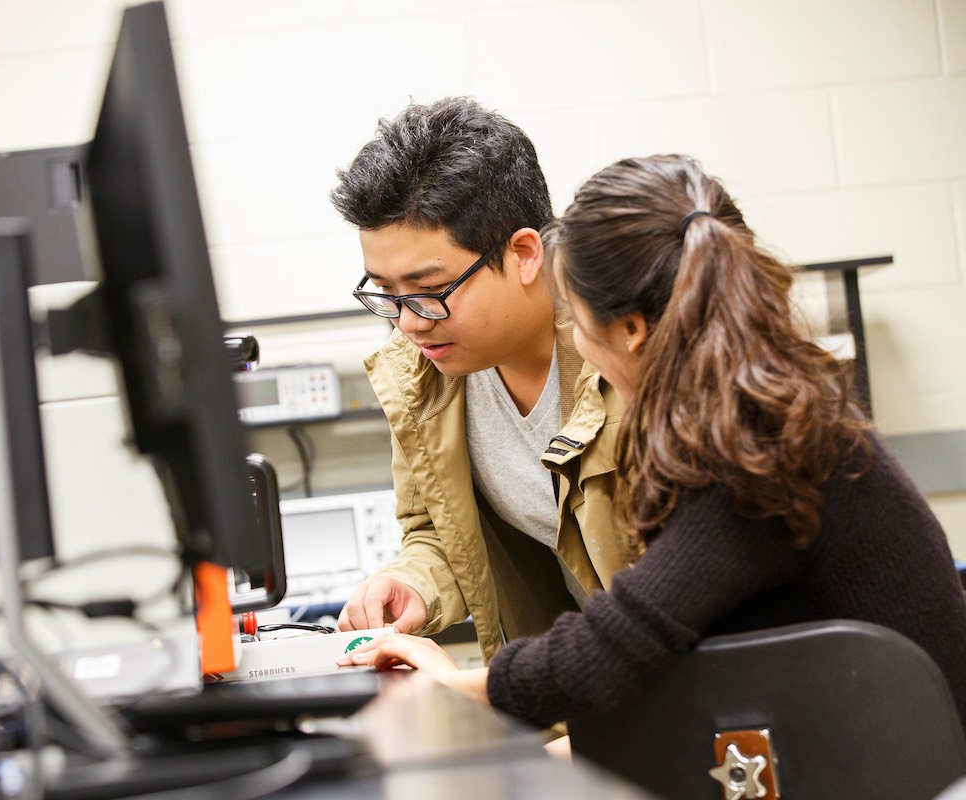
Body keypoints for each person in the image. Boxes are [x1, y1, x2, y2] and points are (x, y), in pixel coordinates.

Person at [338, 153, 966, 732]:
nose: (578, 349)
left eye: (577, 326)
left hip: (893, 752)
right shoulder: (754, 412)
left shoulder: (754, 451)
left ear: (632, 330)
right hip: (829, 726)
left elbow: (617, 644)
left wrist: (452, 686)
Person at [328, 96, 631, 663]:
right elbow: (437, 530)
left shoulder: (626, 362)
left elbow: (679, 597)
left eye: (429, 289)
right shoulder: (426, 372)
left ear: (522, 254)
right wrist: (413, 584)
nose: (410, 321)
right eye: (386, 293)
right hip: (585, 686)